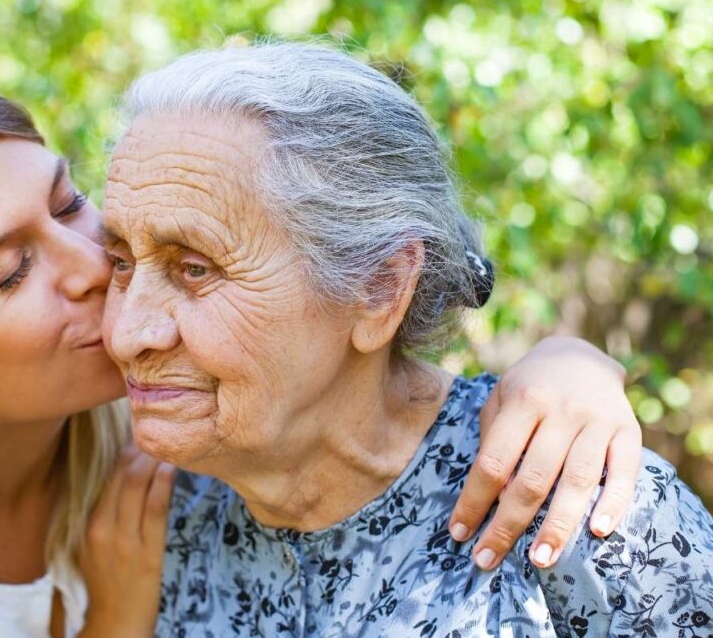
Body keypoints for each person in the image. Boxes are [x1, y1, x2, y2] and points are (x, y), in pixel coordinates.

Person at [0, 75, 642, 638]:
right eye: (11, 273)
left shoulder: (182, 425)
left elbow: (336, 343)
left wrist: (571, 365)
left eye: (67, 203)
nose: (97, 267)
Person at [100, 42, 713, 636]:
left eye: (195, 269)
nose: (127, 334)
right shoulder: (145, 516)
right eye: (121, 263)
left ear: (379, 289)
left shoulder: (585, 505)